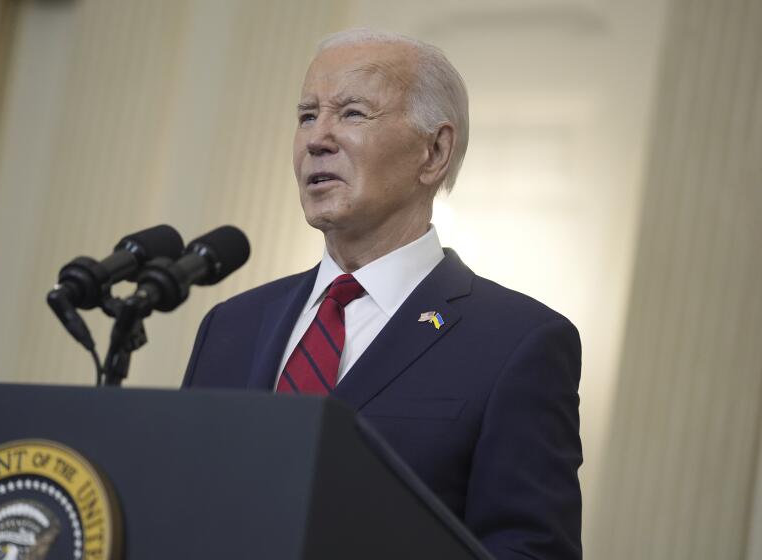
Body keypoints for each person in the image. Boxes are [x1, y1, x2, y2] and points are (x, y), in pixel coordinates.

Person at [183, 28, 582, 560]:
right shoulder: (230, 327)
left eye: (351, 113)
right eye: (306, 115)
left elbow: (530, 551)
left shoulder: (518, 342)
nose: (316, 139)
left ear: (434, 151)